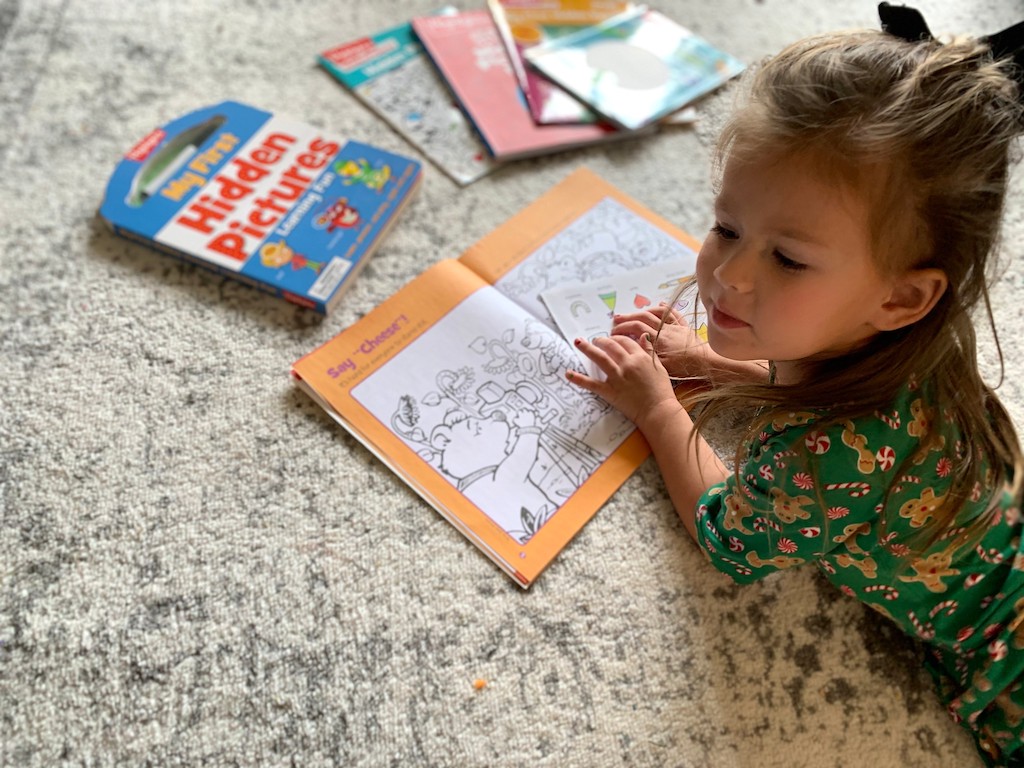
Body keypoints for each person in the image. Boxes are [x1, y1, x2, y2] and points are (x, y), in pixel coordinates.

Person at [566, 5, 1024, 766]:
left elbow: (728, 540)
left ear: (902, 297)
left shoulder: (816, 456)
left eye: (789, 259)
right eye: (726, 227)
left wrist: (654, 404)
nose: (727, 275)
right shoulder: (920, 342)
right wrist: (715, 365)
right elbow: (814, 373)